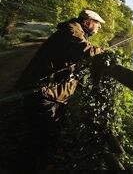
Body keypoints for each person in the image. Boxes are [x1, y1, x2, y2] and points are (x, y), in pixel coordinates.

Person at [17, 9, 105, 169]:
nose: (99, 28)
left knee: (46, 131)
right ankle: (29, 166)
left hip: (47, 91)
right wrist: (101, 51)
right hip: (42, 91)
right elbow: (85, 50)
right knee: (41, 134)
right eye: (97, 24)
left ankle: (39, 162)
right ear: (87, 22)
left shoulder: (75, 31)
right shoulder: (72, 31)